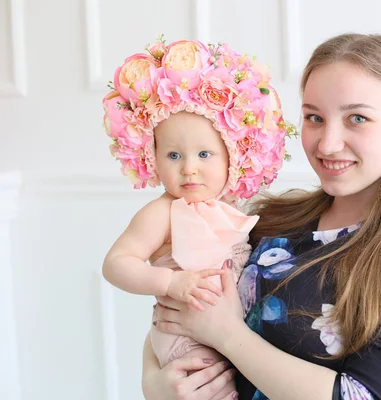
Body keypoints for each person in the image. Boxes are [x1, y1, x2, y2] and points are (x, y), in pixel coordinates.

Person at [143, 32, 381, 400]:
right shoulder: (267, 221)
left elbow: (363, 396)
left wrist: (228, 335)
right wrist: (153, 382)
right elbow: (175, 306)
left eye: (357, 118)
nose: (327, 144)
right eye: (314, 117)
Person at [100, 36, 296, 399]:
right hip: (184, 340)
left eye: (205, 154)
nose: (189, 169)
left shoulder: (233, 210)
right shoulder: (163, 211)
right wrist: (170, 284)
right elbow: (116, 264)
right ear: (152, 157)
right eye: (173, 156)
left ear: (232, 156)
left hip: (224, 335)